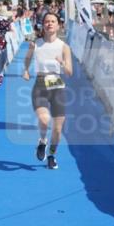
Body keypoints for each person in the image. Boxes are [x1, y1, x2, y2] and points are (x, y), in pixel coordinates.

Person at [22, 12, 73, 170]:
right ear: (43, 25)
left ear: (58, 25)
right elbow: (28, 57)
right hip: (40, 84)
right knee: (44, 120)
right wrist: (26, 70)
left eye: (53, 21)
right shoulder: (35, 43)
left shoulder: (64, 47)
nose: (50, 24)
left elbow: (70, 72)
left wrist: (62, 63)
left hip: (57, 86)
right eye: (47, 21)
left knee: (58, 129)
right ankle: (42, 141)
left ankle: (52, 155)